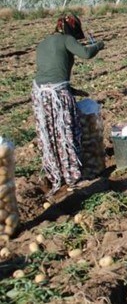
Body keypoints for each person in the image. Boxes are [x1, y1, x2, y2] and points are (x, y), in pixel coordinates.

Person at [32, 14, 104, 195]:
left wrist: (73, 90)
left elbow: (50, 73)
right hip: (57, 95)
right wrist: (100, 45)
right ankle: (74, 178)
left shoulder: (43, 43)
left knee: (50, 135)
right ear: (70, 28)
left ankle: (56, 174)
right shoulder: (66, 39)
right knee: (67, 132)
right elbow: (86, 54)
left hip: (40, 95)